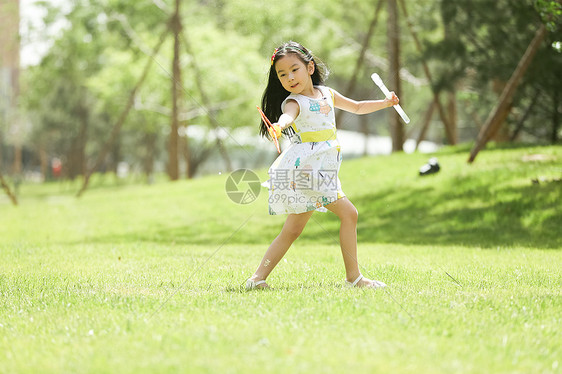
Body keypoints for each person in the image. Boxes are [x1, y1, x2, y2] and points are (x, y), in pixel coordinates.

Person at [247, 41, 400, 290]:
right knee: (349, 213)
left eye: (294, 69)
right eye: (282, 74)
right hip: (306, 169)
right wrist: (280, 125)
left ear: (310, 67)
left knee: (293, 229)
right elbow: (288, 116)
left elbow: (358, 107)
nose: (289, 78)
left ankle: (256, 279)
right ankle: (354, 278)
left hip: (322, 168)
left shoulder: (327, 93)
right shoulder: (293, 102)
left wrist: (385, 103)